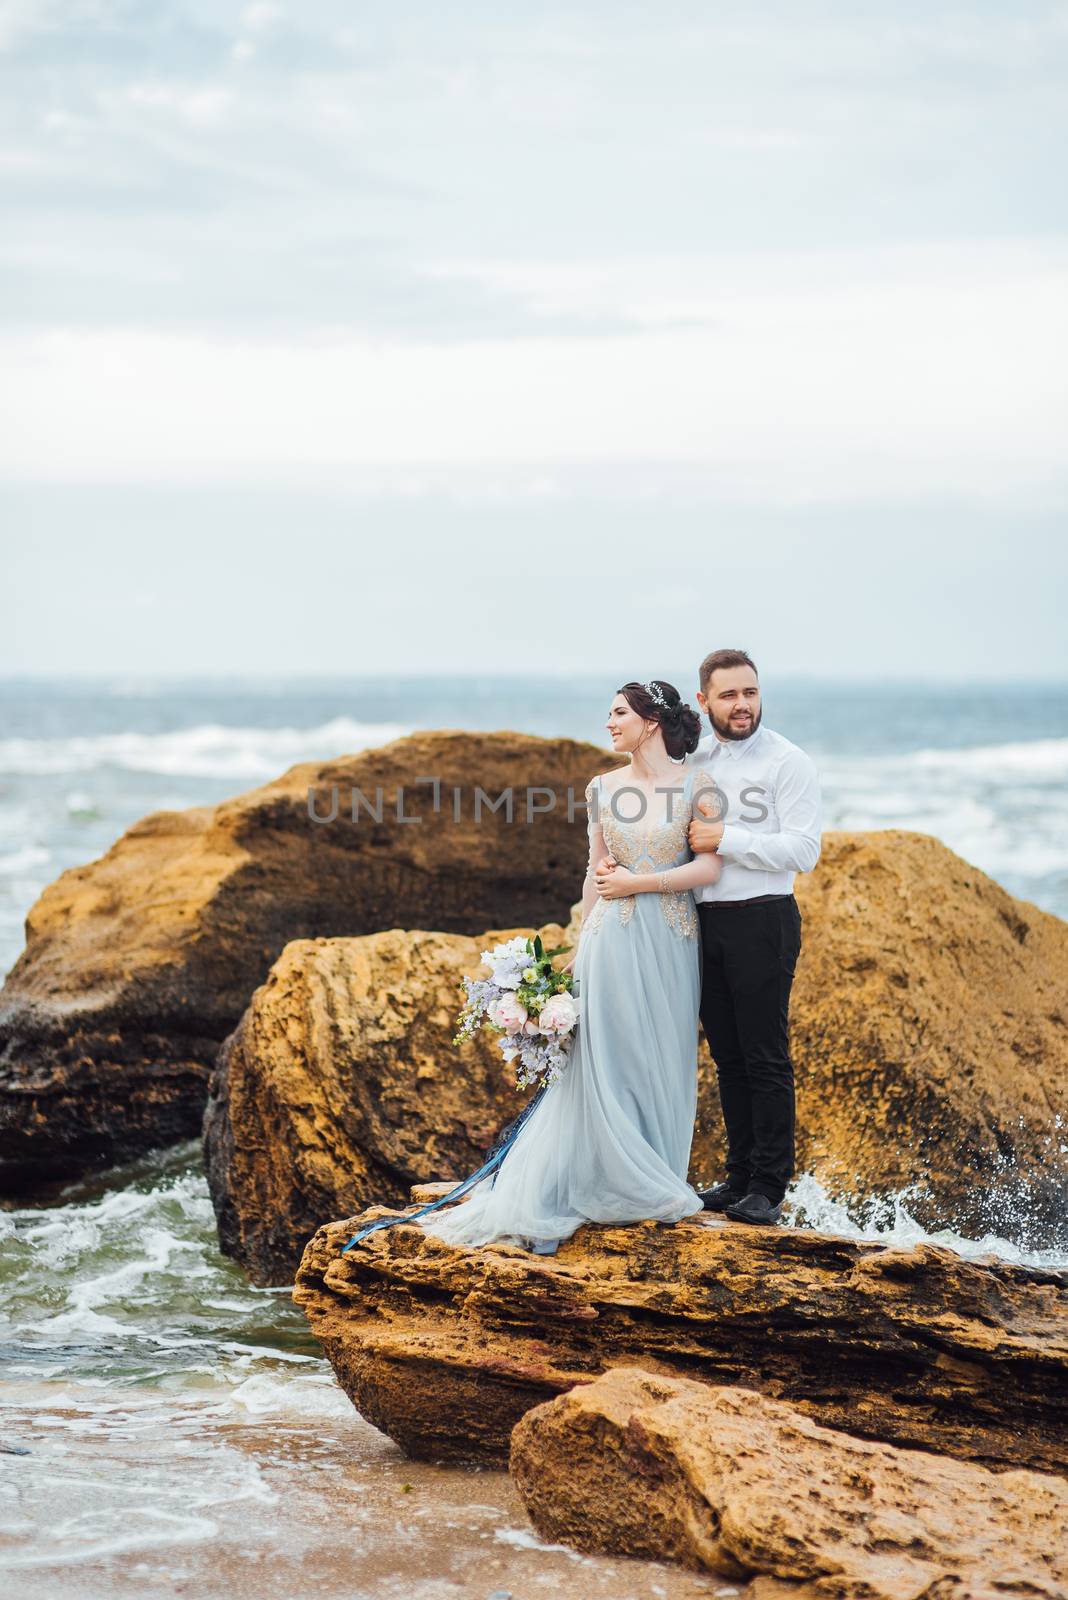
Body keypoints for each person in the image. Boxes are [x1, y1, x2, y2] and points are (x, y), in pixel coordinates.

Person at [340, 679, 723, 1258]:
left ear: (650, 722)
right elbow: (594, 873)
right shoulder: (602, 788)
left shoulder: (699, 785)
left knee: (661, 1056)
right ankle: (607, 1183)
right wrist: (570, 950)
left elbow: (709, 870)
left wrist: (638, 884)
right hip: (609, 939)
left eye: (618, 713)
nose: (609, 723)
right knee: (604, 1058)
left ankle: (656, 1175)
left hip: (671, 939)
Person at [686, 648, 823, 1227]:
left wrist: (728, 838)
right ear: (704, 701)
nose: (742, 705)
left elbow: (804, 850)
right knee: (727, 1057)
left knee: (766, 1057)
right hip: (706, 922)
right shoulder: (695, 760)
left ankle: (769, 1185)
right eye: (729, 695)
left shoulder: (788, 762)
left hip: (764, 917)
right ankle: (739, 1175)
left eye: (750, 692)